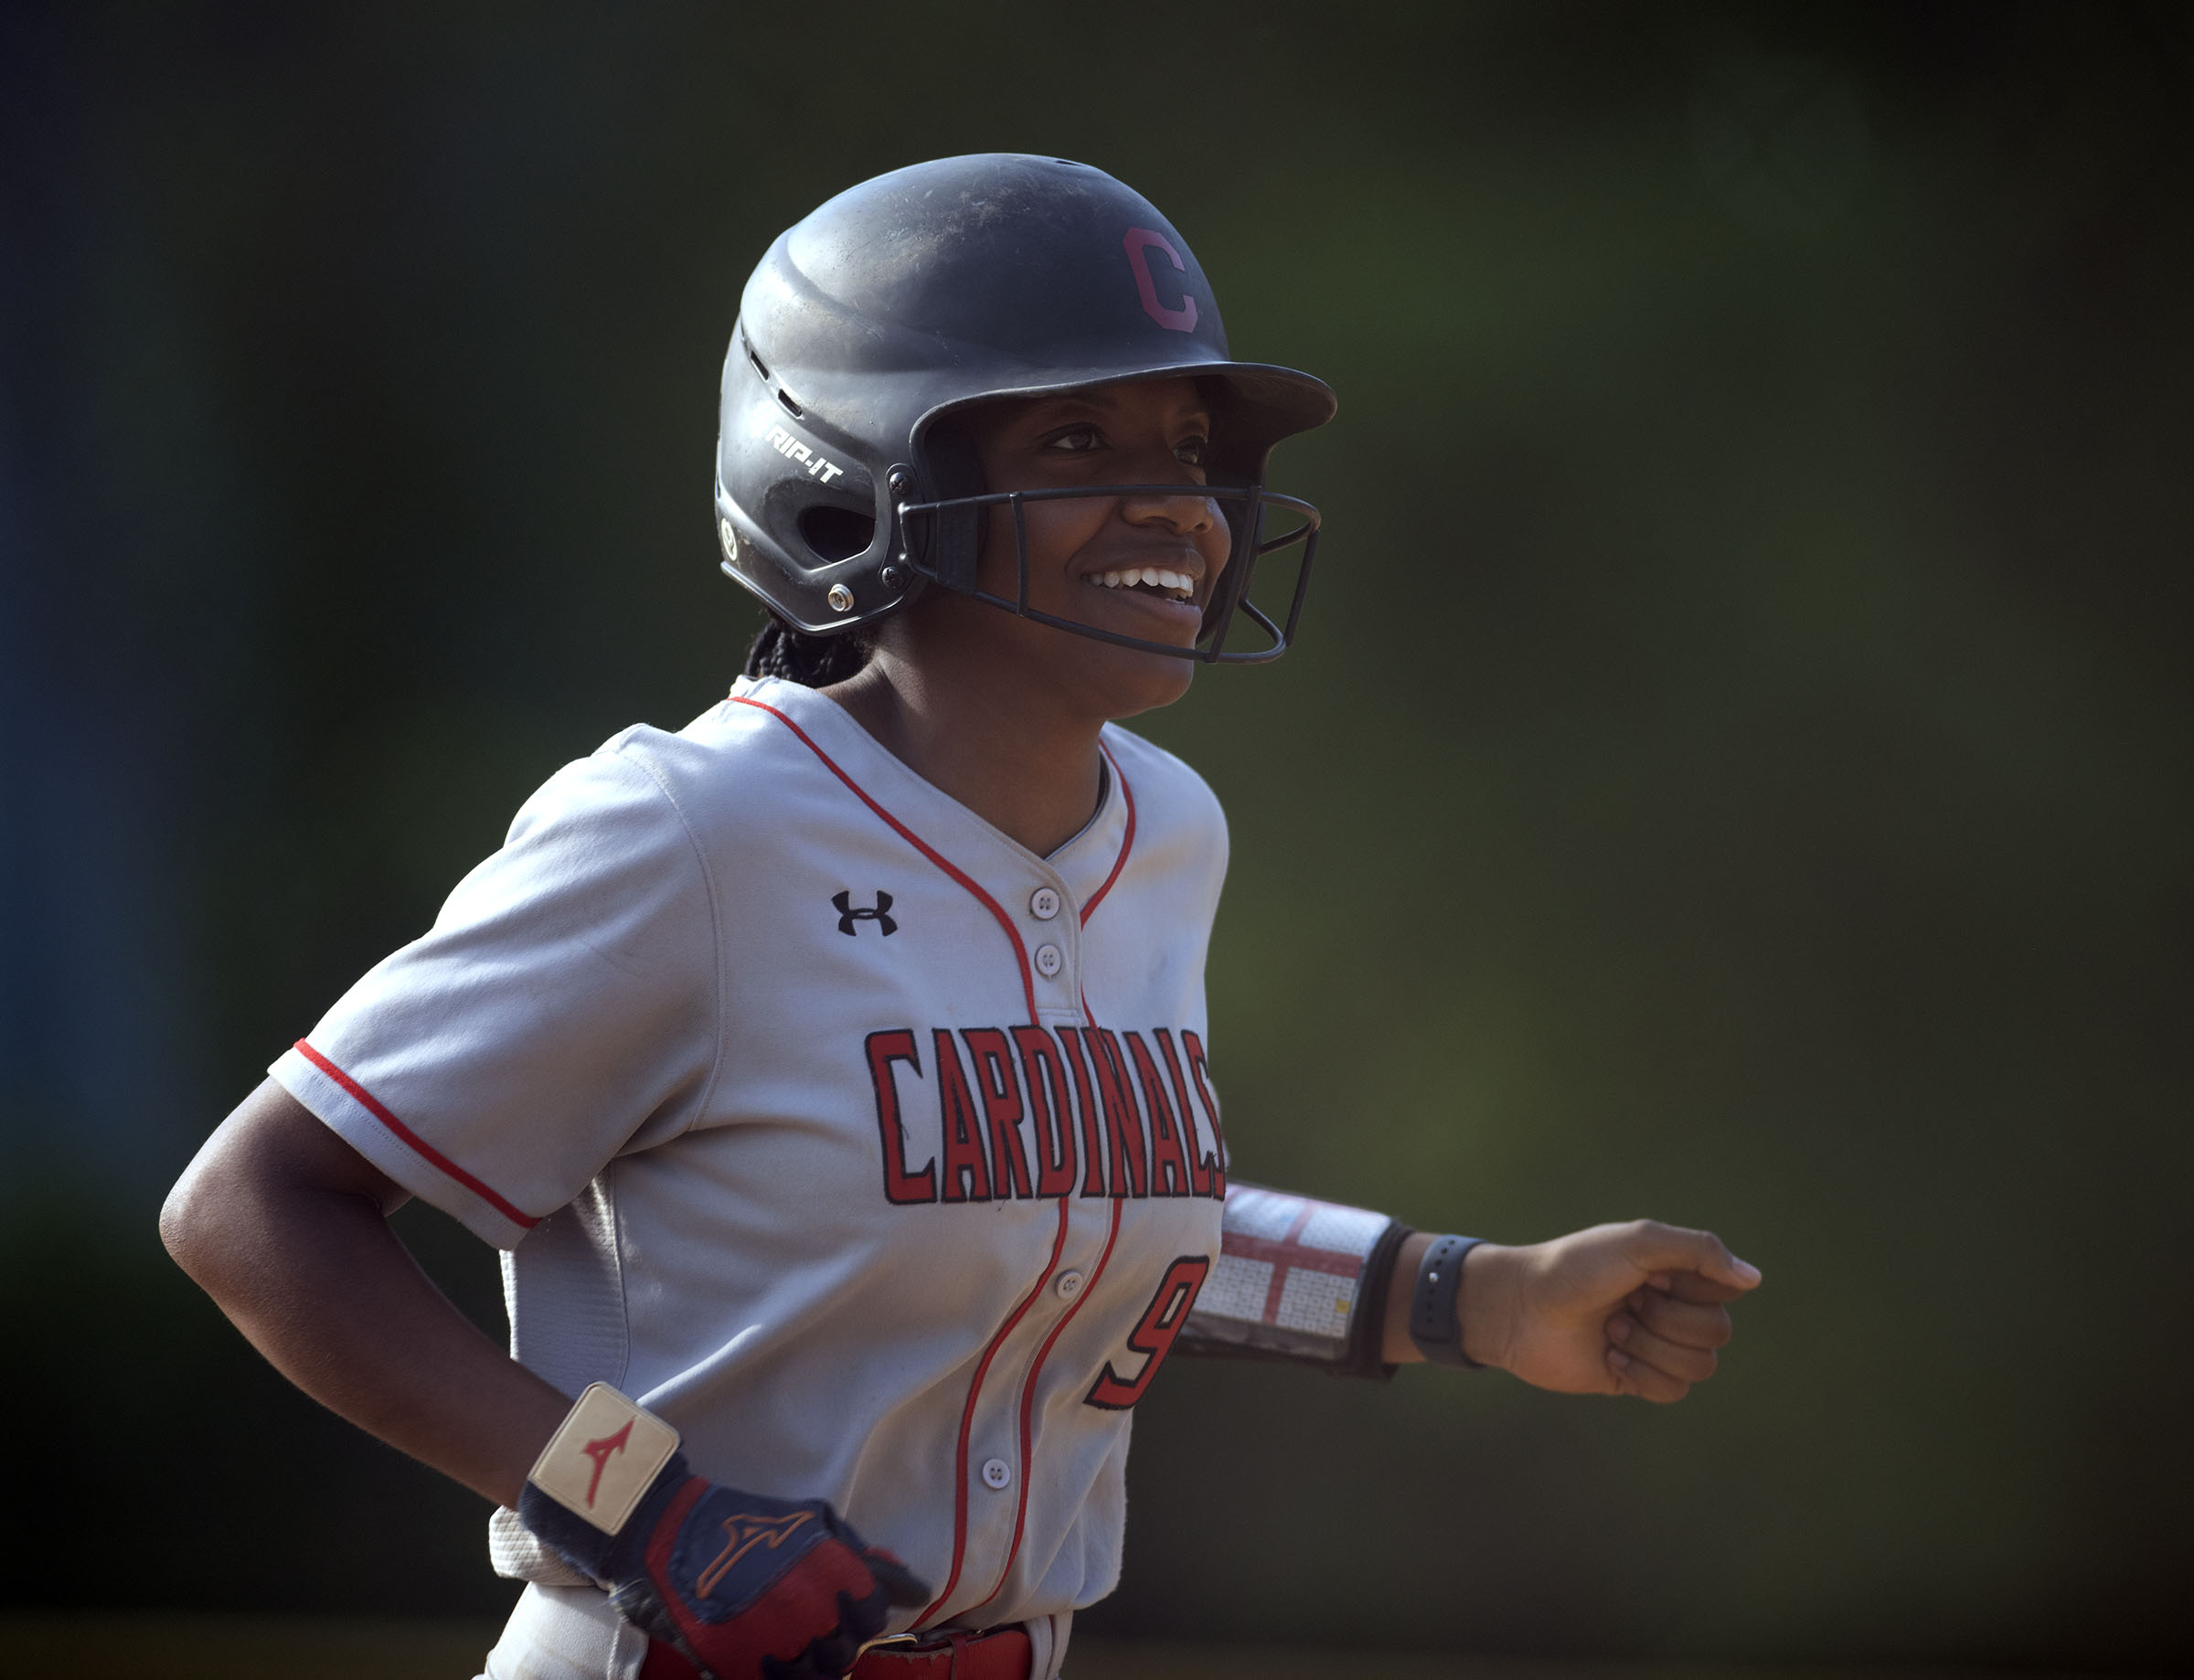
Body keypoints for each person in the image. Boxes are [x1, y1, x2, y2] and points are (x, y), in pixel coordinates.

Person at [161, 154, 1761, 1680]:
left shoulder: (1169, 828)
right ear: (860, 482)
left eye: (1191, 444)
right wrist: (638, 1501)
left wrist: (1475, 1295)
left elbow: (1064, 1199)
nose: (1185, 507)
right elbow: (254, 1210)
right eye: (1081, 445)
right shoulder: (692, 829)